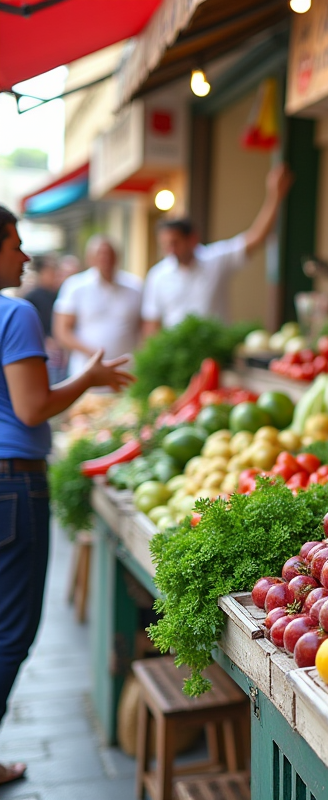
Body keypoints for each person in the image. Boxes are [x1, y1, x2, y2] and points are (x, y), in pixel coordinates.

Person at [0, 205, 133, 785]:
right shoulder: (16, 313)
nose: (25, 256)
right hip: (13, 482)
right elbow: (32, 407)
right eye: (15, 244)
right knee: (12, 629)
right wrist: (88, 380)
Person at [142, 164, 293, 335]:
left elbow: (256, 238)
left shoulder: (214, 260)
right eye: (165, 244)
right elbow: (151, 325)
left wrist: (275, 196)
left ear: (192, 239)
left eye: (175, 243)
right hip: (179, 354)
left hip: (215, 350)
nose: (170, 249)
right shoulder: (157, 276)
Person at [53, 235, 143, 377]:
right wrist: (93, 353)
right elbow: (62, 331)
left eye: (109, 254)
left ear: (117, 257)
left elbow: (144, 327)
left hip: (126, 370)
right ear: (89, 259)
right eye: (100, 254)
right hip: (86, 370)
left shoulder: (135, 286)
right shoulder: (75, 286)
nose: (105, 259)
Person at [19, 256, 68, 385]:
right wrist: (45, 338)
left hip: (58, 346)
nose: (54, 275)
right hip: (43, 346)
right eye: (51, 271)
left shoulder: (57, 294)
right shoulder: (32, 297)